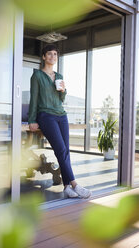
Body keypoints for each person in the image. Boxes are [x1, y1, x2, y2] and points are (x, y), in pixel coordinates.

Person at [28, 44, 91, 199]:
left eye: (55, 54)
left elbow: (61, 99)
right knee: (61, 150)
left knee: (65, 151)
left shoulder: (59, 76)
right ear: (44, 57)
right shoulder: (37, 76)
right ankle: (75, 184)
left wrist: (63, 91)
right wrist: (31, 120)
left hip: (61, 115)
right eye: (49, 54)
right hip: (46, 116)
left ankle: (67, 187)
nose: (52, 57)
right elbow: (34, 99)